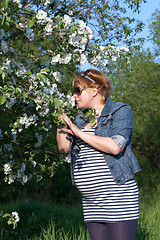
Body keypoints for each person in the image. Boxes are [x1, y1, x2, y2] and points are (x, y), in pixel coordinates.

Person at [56, 69, 141, 240]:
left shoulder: (119, 111)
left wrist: (79, 134)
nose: (74, 96)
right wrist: (58, 118)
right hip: (92, 204)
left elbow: (115, 146)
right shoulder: (81, 121)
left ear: (94, 90)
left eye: (78, 90)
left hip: (117, 199)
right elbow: (63, 148)